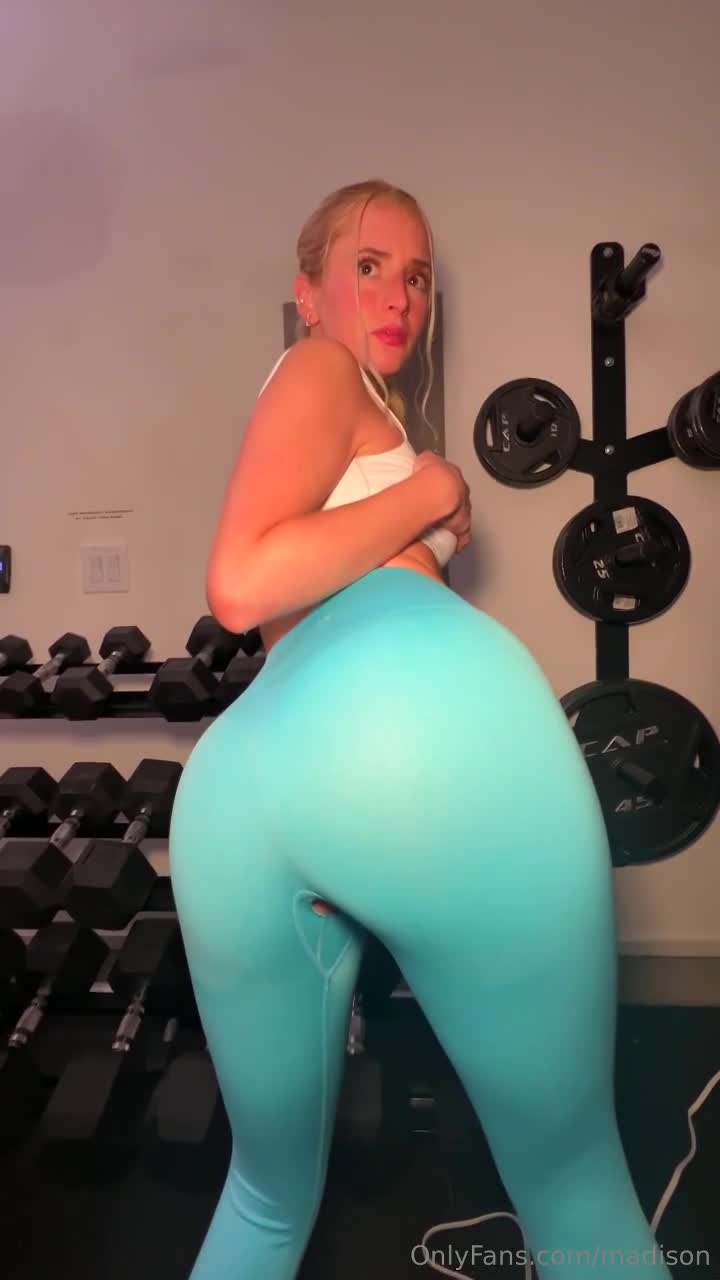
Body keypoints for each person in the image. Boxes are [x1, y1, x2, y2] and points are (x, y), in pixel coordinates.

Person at [168, 179, 670, 1278]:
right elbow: (241, 582)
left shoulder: (356, 421)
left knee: (262, 1195)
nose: (398, 295)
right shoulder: (323, 370)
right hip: (420, 754)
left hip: (240, 792)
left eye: (419, 275)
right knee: (577, 1186)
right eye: (367, 265)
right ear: (307, 293)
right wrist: (433, 487)